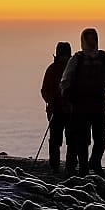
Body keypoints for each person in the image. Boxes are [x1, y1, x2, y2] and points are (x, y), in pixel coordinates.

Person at [59, 27, 105, 176]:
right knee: (83, 139)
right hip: (81, 105)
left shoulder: (103, 58)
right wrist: (67, 93)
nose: (91, 41)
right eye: (89, 39)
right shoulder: (78, 59)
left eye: (93, 38)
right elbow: (66, 80)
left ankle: (94, 162)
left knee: (100, 137)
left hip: (97, 105)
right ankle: (84, 167)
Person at [40, 41, 74, 173]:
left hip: (68, 110)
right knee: (57, 140)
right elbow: (45, 90)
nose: (64, 57)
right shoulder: (55, 69)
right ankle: (56, 166)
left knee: (70, 140)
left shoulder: (58, 69)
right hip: (57, 110)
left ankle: (68, 166)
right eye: (63, 54)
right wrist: (53, 101)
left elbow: (44, 91)